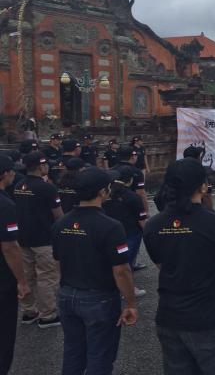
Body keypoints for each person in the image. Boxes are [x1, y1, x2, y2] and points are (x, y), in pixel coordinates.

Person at [143, 158, 215, 375]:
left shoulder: (153, 225)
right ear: (203, 186)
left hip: (170, 315)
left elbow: (162, 264)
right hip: (212, 316)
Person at [51, 167, 138, 374]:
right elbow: (121, 270)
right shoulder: (111, 226)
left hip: (67, 293)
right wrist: (131, 302)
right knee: (100, 355)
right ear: (102, 192)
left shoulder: (61, 223)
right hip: (99, 297)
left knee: (73, 353)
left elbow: (57, 261)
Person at [14, 152, 64, 328]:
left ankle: (29, 311)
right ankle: (48, 314)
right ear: (41, 166)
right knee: (46, 277)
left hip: (21, 238)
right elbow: (58, 214)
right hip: (43, 238)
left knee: (26, 275)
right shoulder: (47, 188)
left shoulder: (18, 185)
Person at [0, 155, 30, 375]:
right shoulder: (5, 204)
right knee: (4, 334)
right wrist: (21, 280)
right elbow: (9, 247)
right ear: (4, 175)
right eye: (11, 171)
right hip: (2, 279)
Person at [103, 165, 148, 297]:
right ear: (130, 180)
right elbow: (141, 220)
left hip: (110, 232)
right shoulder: (133, 197)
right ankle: (128, 289)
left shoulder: (107, 194)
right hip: (130, 233)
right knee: (127, 263)